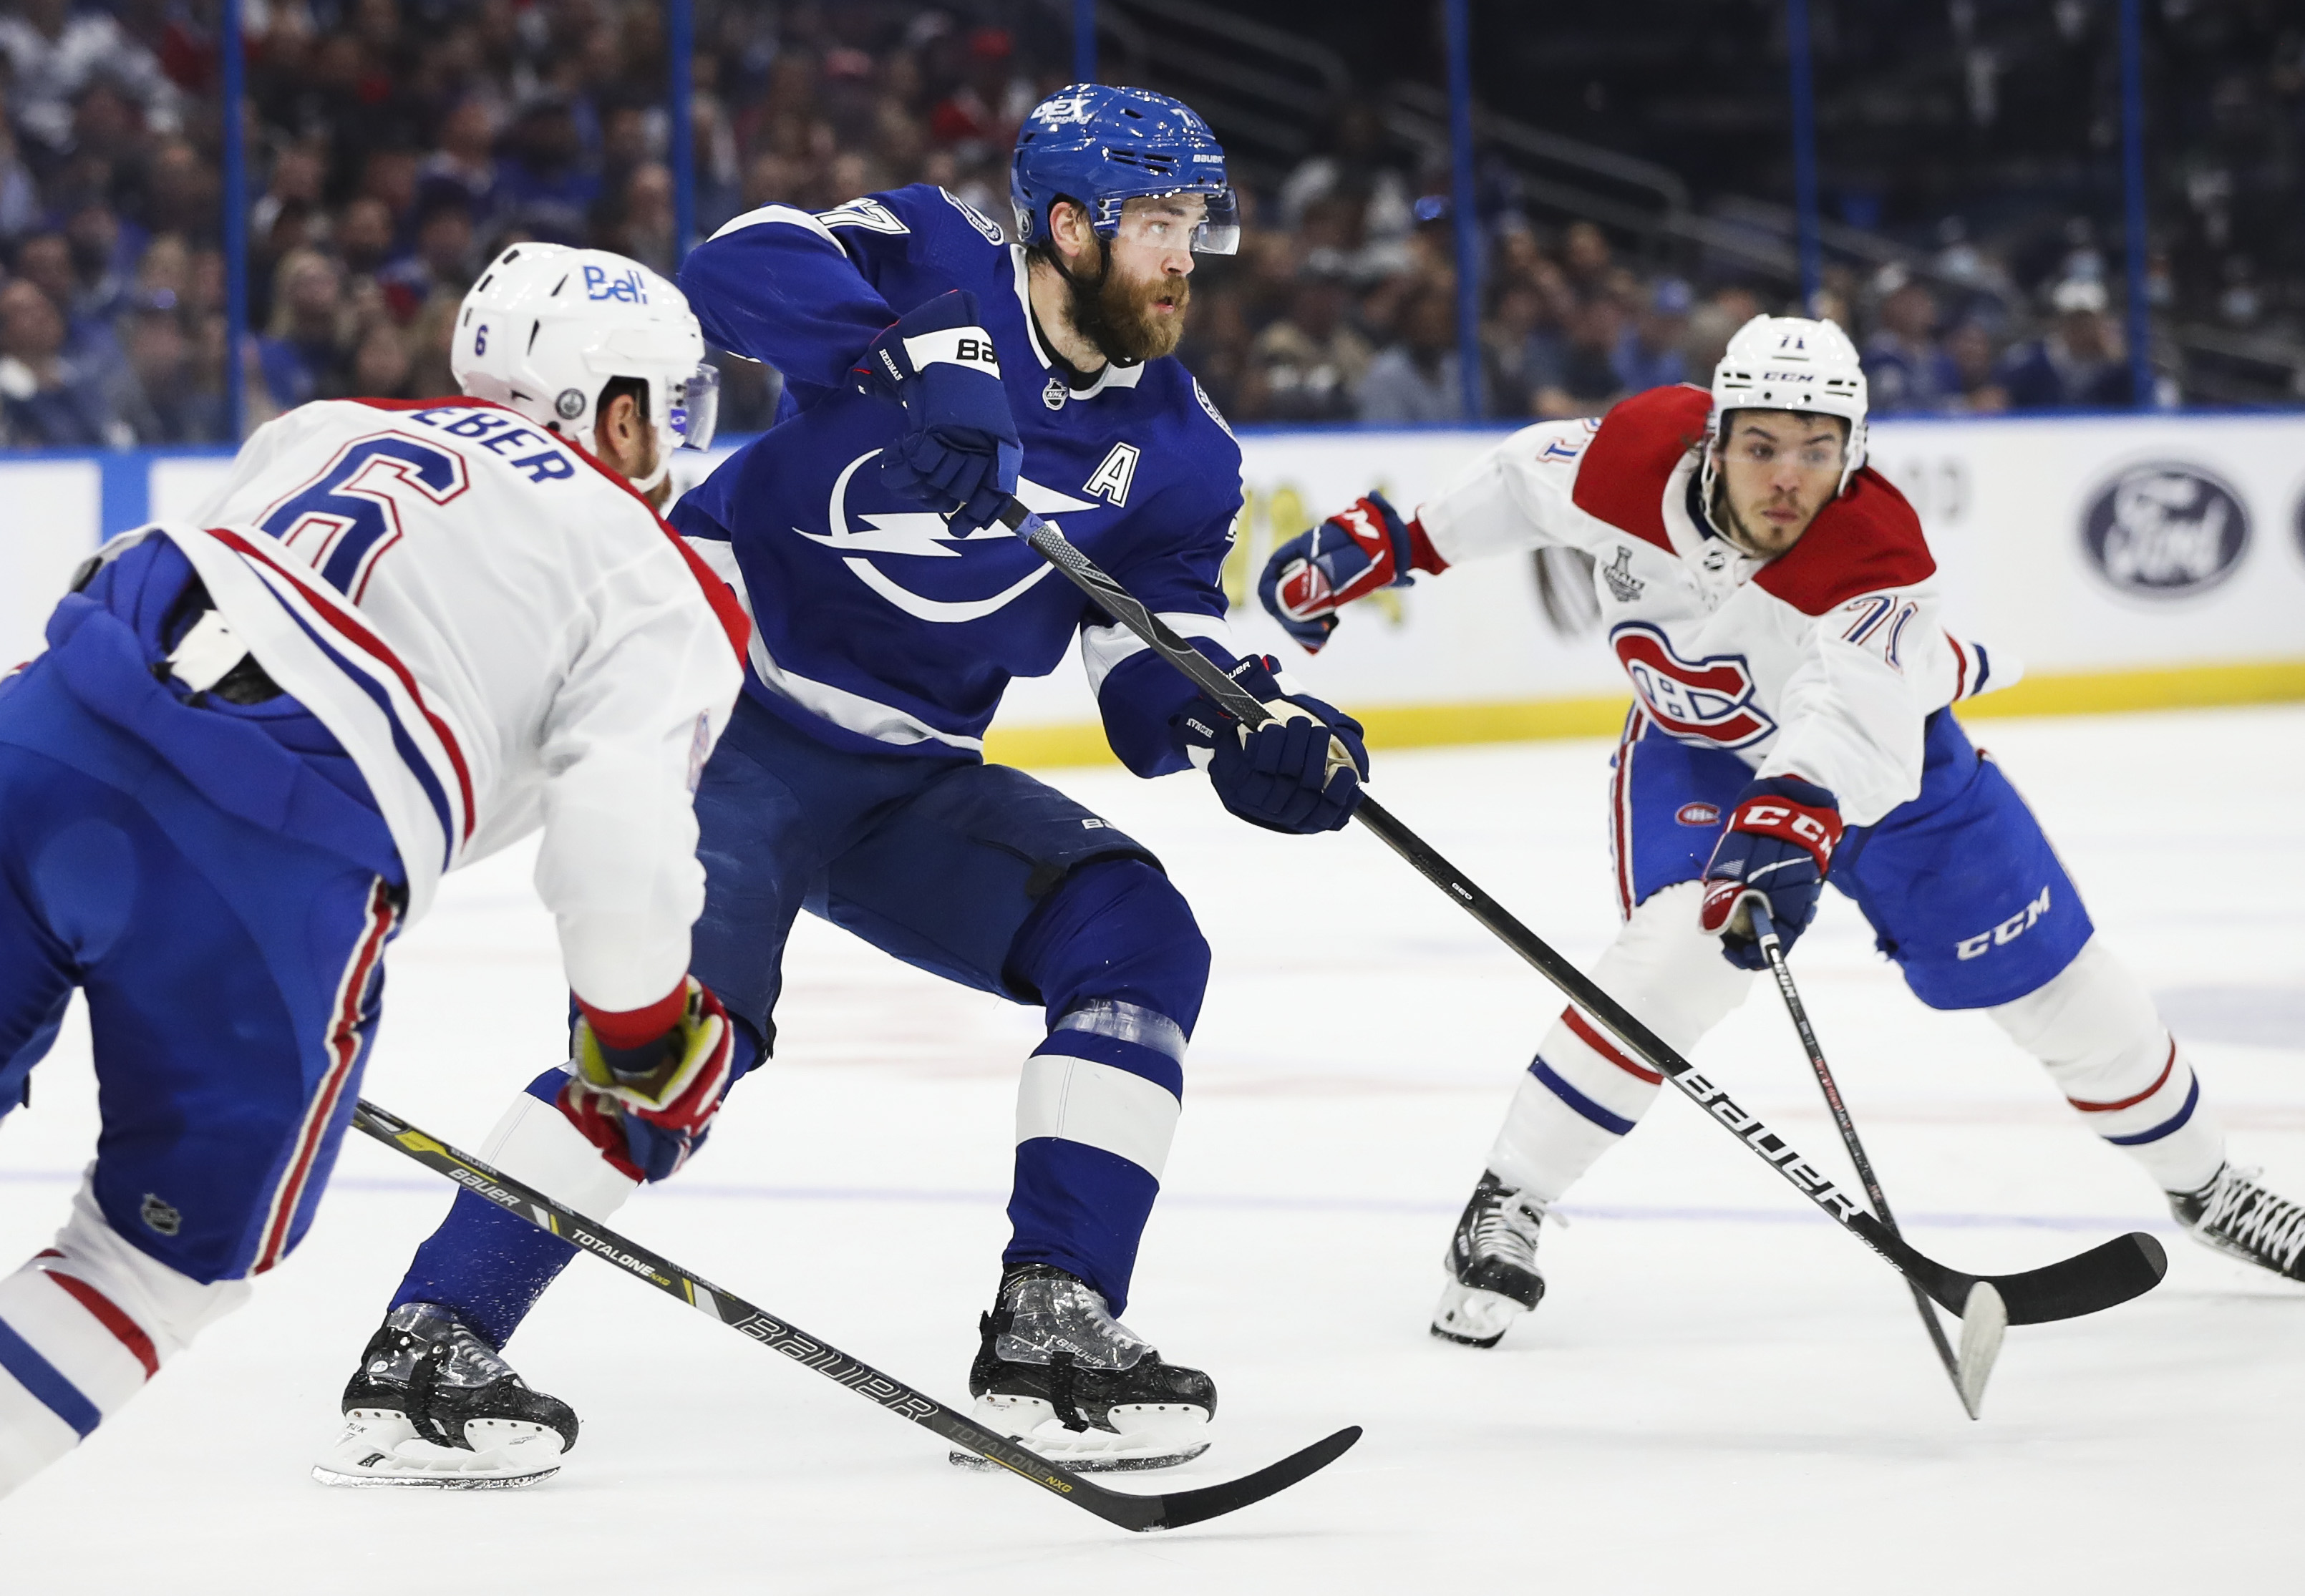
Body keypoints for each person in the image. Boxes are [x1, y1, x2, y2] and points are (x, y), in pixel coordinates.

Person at [321, 84, 1369, 1486]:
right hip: (716, 713)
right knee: (677, 1041)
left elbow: (1142, 678)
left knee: (1135, 933)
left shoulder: (1181, 453)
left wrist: (1249, 733)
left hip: (905, 780)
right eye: (1161, 225)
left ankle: (1052, 1329)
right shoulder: (932, 251)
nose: (1189, 258)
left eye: (1196, 226)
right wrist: (923, 354)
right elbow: (734, 267)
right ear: (1067, 226)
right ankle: (429, 1344)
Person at [1258, 315, 2305, 1350]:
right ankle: (1511, 1196)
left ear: (1854, 453)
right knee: (1678, 953)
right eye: (1760, 445)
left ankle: (2210, 1185)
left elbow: (1857, 722)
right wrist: (1397, 543)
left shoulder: (1878, 554)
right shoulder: (1632, 459)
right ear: (1714, 436)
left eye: (1817, 450)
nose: (1787, 478)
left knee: (2054, 984)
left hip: (1886, 763)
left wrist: (1797, 809)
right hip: (1698, 750)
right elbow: (1528, 478)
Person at [0, 243, 745, 1498]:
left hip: (48, 729)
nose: (675, 442)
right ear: (613, 410)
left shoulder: (329, 425)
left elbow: (167, 561)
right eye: (672, 408)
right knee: (155, 1263)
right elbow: (616, 837)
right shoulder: (651, 579)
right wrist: (642, 1038)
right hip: (267, 863)